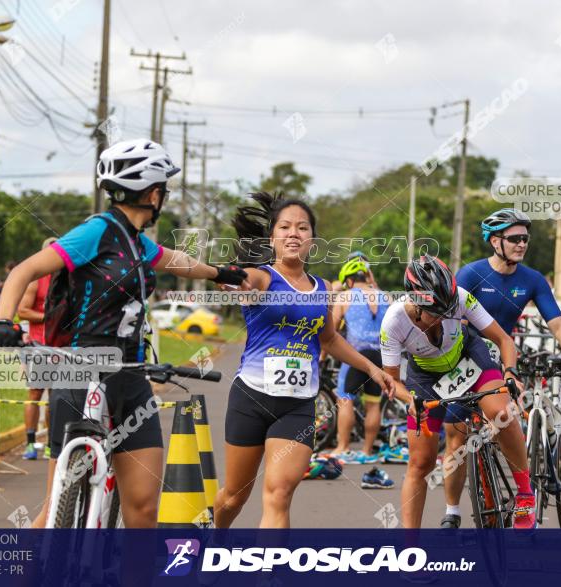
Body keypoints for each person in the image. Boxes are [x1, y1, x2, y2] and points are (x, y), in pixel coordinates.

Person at [0, 138, 248, 529]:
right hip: (78, 368)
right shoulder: (97, 232)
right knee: (54, 506)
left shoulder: (138, 243)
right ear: (154, 193)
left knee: (142, 508)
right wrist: (3, 321)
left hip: (129, 372)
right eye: (164, 191)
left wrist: (219, 273)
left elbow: (176, 262)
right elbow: (25, 270)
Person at [212, 192, 395, 529]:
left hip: (297, 406)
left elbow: (329, 338)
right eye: (285, 227)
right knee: (235, 496)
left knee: (279, 493)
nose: (293, 233)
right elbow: (242, 280)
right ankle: (216, 536)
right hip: (251, 397)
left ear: (312, 238)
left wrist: (371, 367)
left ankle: (268, 574)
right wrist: (230, 279)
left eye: (302, 227)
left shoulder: (323, 288)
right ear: (273, 237)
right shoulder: (262, 277)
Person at [380, 254, 535, 529]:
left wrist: (510, 373)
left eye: (448, 311)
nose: (443, 319)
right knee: (420, 463)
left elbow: (503, 339)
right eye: (435, 313)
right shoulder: (393, 321)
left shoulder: (461, 297)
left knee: (501, 412)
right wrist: (410, 400)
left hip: (469, 358)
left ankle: (525, 496)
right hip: (425, 376)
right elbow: (392, 382)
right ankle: (410, 552)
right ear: (415, 304)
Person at [458, 208, 561, 385]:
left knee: (513, 409)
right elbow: (456, 327)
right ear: (495, 242)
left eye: (525, 239)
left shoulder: (533, 280)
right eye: (514, 239)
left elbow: (558, 325)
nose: (522, 244)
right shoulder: (470, 274)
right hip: (465, 360)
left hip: (503, 360)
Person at [330, 256, 391, 467]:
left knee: (345, 399)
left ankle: (343, 447)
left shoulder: (345, 297)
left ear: (348, 280)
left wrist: (320, 357)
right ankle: (366, 450)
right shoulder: (386, 297)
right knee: (373, 405)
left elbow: (330, 332)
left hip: (355, 356)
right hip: (379, 357)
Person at [16, 239, 57, 460]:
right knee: (35, 393)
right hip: (38, 345)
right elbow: (22, 310)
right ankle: (30, 443)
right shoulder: (36, 280)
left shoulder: (68, 279)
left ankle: (51, 443)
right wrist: (49, 317)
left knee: (56, 396)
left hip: (60, 346)